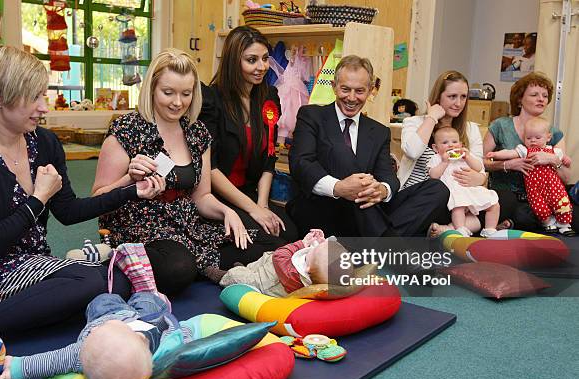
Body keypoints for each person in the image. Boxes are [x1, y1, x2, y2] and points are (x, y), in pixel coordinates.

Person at [0, 44, 164, 335]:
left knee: (119, 277)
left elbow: (69, 211)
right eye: (33, 97)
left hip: (38, 263)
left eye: (42, 95)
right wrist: (38, 198)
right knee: (89, 283)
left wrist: (131, 190)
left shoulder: (44, 143)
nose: (44, 107)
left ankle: (49, 308)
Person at [92, 48, 259, 295]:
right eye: (168, 93)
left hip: (186, 225)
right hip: (140, 229)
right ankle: (116, 258)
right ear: (151, 89)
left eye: (186, 94)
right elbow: (97, 199)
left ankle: (197, 265)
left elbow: (201, 197)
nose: (177, 102)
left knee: (263, 240)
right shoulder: (126, 129)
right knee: (178, 268)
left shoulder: (198, 132)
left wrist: (227, 212)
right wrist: (129, 179)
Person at [287, 55, 449, 237]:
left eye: (359, 91)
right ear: (334, 87)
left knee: (438, 190)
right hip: (324, 207)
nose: (351, 97)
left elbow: (388, 176)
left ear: (370, 90)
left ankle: (381, 246)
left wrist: (381, 190)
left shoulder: (379, 131)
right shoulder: (311, 116)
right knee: (357, 184)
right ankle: (387, 246)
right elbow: (301, 164)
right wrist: (339, 187)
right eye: (345, 89)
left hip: (367, 212)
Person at [200, 25, 297, 245]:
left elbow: (269, 158)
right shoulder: (212, 100)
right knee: (274, 244)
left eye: (265, 59)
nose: (261, 67)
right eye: (251, 60)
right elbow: (210, 169)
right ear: (234, 62)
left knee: (290, 234)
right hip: (219, 199)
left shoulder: (268, 97)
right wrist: (253, 210)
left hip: (251, 194)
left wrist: (262, 206)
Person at [0, 292, 177, 379]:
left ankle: (127, 301)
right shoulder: (162, 348)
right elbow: (178, 330)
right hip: (143, 319)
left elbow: (52, 360)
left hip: (104, 316)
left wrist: (15, 369)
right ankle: (144, 296)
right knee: (149, 301)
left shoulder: (85, 354)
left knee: (103, 300)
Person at [397, 70, 493, 236]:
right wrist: (432, 118)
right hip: (422, 199)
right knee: (439, 189)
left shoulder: (471, 129)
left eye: (463, 97)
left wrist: (481, 178)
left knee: (499, 200)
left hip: (458, 200)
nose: (458, 103)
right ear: (438, 97)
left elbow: (480, 170)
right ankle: (456, 228)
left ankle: (446, 229)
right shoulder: (413, 122)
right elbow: (412, 151)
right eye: (452, 96)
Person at [483, 72, 579, 232]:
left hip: (548, 195)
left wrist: (552, 159)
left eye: (545, 95)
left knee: (575, 219)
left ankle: (530, 222)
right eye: (534, 94)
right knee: (522, 215)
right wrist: (507, 164)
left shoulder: (553, 133)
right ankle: (533, 221)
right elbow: (481, 163)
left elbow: (566, 177)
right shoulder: (500, 126)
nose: (541, 99)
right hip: (510, 195)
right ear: (520, 99)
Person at [486, 117, 574, 236]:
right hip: (534, 189)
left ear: (548, 137)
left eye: (537, 138)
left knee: (561, 201)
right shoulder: (524, 150)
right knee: (538, 206)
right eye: (528, 138)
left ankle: (564, 224)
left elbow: (564, 159)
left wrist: (565, 160)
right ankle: (548, 222)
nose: (533, 141)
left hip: (553, 186)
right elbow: (510, 153)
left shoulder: (554, 151)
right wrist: (496, 154)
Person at [219, 229, 348, 297]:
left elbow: (279, 255)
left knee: (238, 277)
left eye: (314, 250)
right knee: (257, 264)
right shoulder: (317, 270)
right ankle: (245, 268)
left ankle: (221, 275)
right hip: (271, 266)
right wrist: (320, 241)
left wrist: (302, 243)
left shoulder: (294, 275)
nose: (313, 247)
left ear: (307, 269)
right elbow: (322, 257)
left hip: (266, 282)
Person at [428, 127, 500, 237]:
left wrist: (468, 157)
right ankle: (460, 229)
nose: (451, 145)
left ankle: (490, 230)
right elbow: (433, 175)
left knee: (494, 203)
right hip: (454, 192)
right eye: (445, 142)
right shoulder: (437, 158)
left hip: (470, 189)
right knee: (459, 207)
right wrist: (444, 162)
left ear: (461, 145)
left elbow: (478, 167)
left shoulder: (464, 156)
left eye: (454, 142)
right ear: (435, 148)